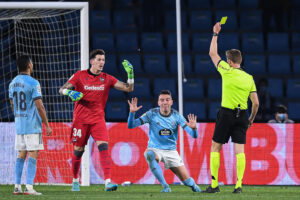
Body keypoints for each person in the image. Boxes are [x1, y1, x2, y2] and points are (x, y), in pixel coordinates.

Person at [59, 49, 134, 192]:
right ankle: (75, 180)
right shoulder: (80, 75)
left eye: (103, 60)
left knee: (103, 146)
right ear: (91, 61)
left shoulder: (107, 78)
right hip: (80, 119)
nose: (102, 63)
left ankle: (107, 182)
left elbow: (128, 88)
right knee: (79, 151)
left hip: (98, 119)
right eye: (99, 60)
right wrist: (69, 92)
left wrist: (130, 75)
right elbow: (61, 89)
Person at [202, 22, 259, 194]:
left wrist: (215, 34)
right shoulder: (249, 78)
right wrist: (251, 119)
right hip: (243, 116)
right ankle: (239, 185)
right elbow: (256, 103)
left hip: (226, 114)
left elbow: (212, 53)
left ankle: (214, 185)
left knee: (215, 147)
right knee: (239, 151)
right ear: (240, 61)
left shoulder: (226, 70)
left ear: (229, 61)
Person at [127, 90, 201, 193]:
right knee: (149, 154)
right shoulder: (151, 114)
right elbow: (131, 125)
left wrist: (194, 129)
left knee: (186, 181)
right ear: (158, 102)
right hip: (155, 148)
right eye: (162, 100)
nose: (165, 102)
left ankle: (194, 186)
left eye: (167, 100)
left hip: (171, 151)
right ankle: (165, 186)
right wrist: (132, 113)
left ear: (171, 102)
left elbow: (194, 136)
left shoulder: (177, 116)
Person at [9, 55, 52, 195]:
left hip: (20, 124)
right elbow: (40, 106)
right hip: (32, 124)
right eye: (32, 63)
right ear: (29, 65)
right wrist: (47, 125)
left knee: (21, 154)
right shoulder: (34, 83)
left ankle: (16, 186)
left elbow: (12, 104)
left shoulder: (12, 83)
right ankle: (29, 187)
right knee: (33, 153)